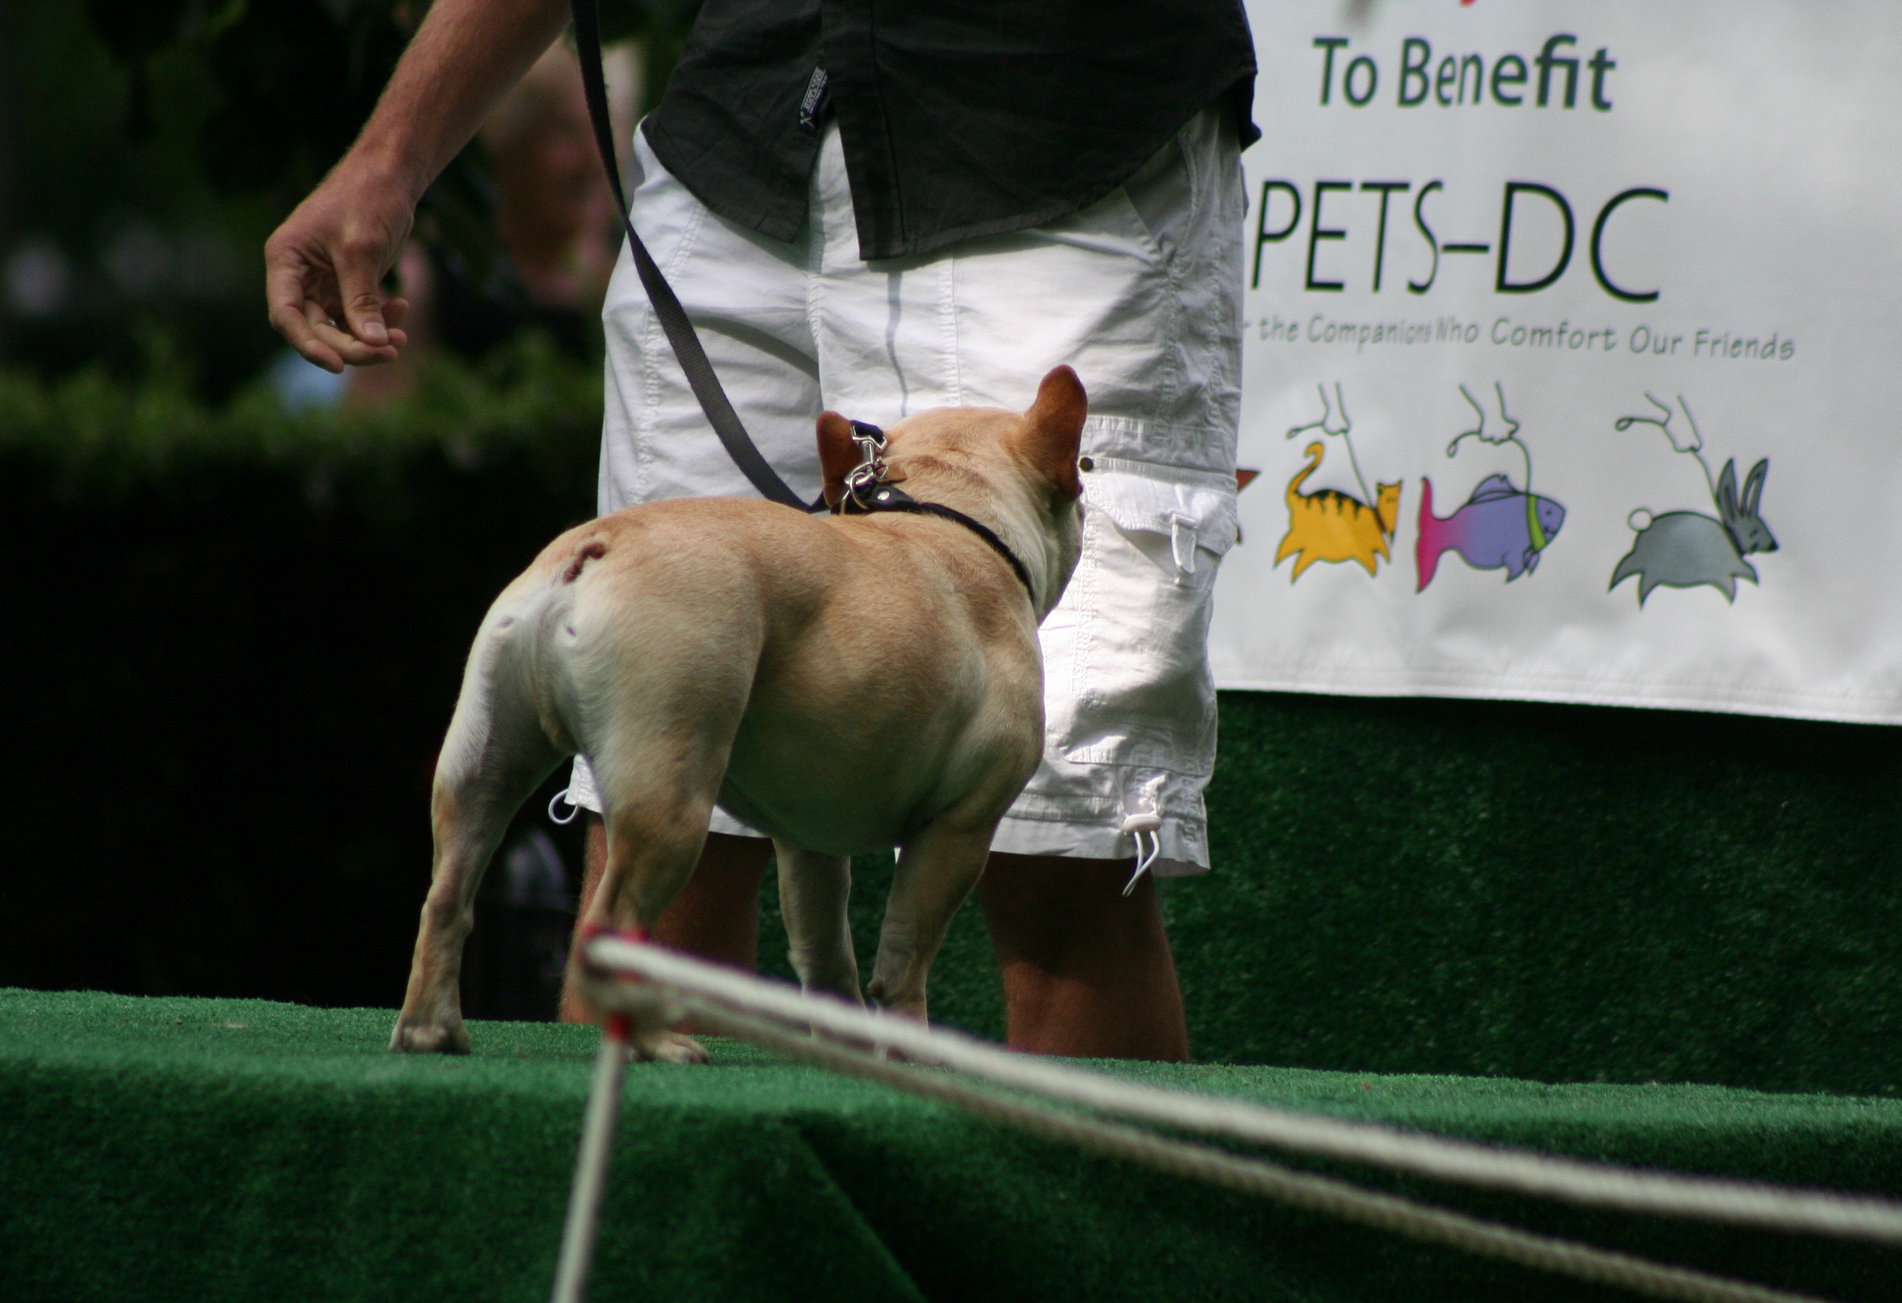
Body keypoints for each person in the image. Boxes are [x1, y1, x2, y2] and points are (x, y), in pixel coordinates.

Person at [266, 0, 1257, 1062]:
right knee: (651, 840)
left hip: (1054, 142)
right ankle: (638, 1228)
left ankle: (1076, 1231)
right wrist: (392, 154)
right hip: (740, 137)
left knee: (1056, 853)